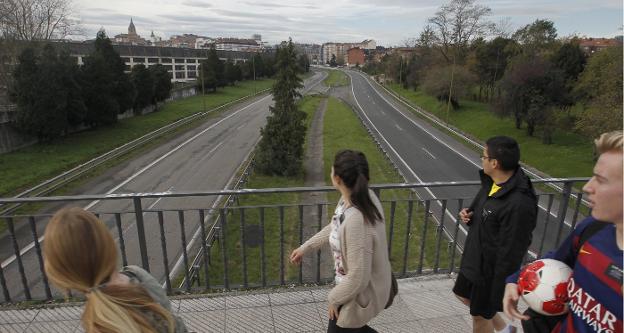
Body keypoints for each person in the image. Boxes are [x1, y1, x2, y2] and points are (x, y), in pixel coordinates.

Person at [503, 131, 623, 333]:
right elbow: (558, 260)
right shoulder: (592, 229)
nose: (587, 187)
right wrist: (515, 280)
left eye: (600, 180)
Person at [290, 150, 391, 333]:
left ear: (337, 179)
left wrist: (334, 298)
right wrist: (306, 247)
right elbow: (335, 226)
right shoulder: (353, 199)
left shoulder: (356, 220)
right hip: (349, 286)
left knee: (343, 327)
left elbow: (358, 278)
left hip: (353, 293)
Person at [43, 207, 188, 333]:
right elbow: (174, 324)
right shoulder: (137, 275)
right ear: (108, 245)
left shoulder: (96, 320)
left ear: (61, 273)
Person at [453, 136, 538, 333]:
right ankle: (506, 328)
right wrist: (470, 215)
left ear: (494, 162)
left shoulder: (519, 204)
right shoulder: (492, 183)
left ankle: (499, 325)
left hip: (489, 273)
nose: (481, 160)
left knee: (480, 319)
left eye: (483, 156)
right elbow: (485, 213)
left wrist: (500, 288)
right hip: (475, 260)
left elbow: (512, 251)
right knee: (463, 295)